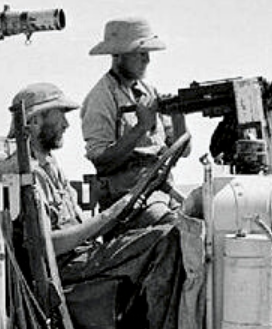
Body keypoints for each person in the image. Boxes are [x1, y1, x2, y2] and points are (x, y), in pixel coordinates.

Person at [0, 82, 185, 329]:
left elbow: (73, 222)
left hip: (82, 256)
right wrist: (108, 216)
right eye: (59, 116)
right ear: (33, 121)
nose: (67, 123)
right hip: (66, 268)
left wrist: (119, 213)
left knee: (169, 227)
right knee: (165, 239)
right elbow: (44, 248)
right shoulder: (22, 172)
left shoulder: (48, 166)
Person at [80, 17, 190, 227]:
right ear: (118, 55)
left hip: (159, 189)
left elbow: (182, 150)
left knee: (203, 220)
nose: (147, 60)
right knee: (173, 228)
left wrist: (179, 118)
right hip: (127, 199)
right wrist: (141, 128)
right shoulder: (101, 97)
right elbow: (101, 160)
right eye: (140, 54)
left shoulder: (149, 92)